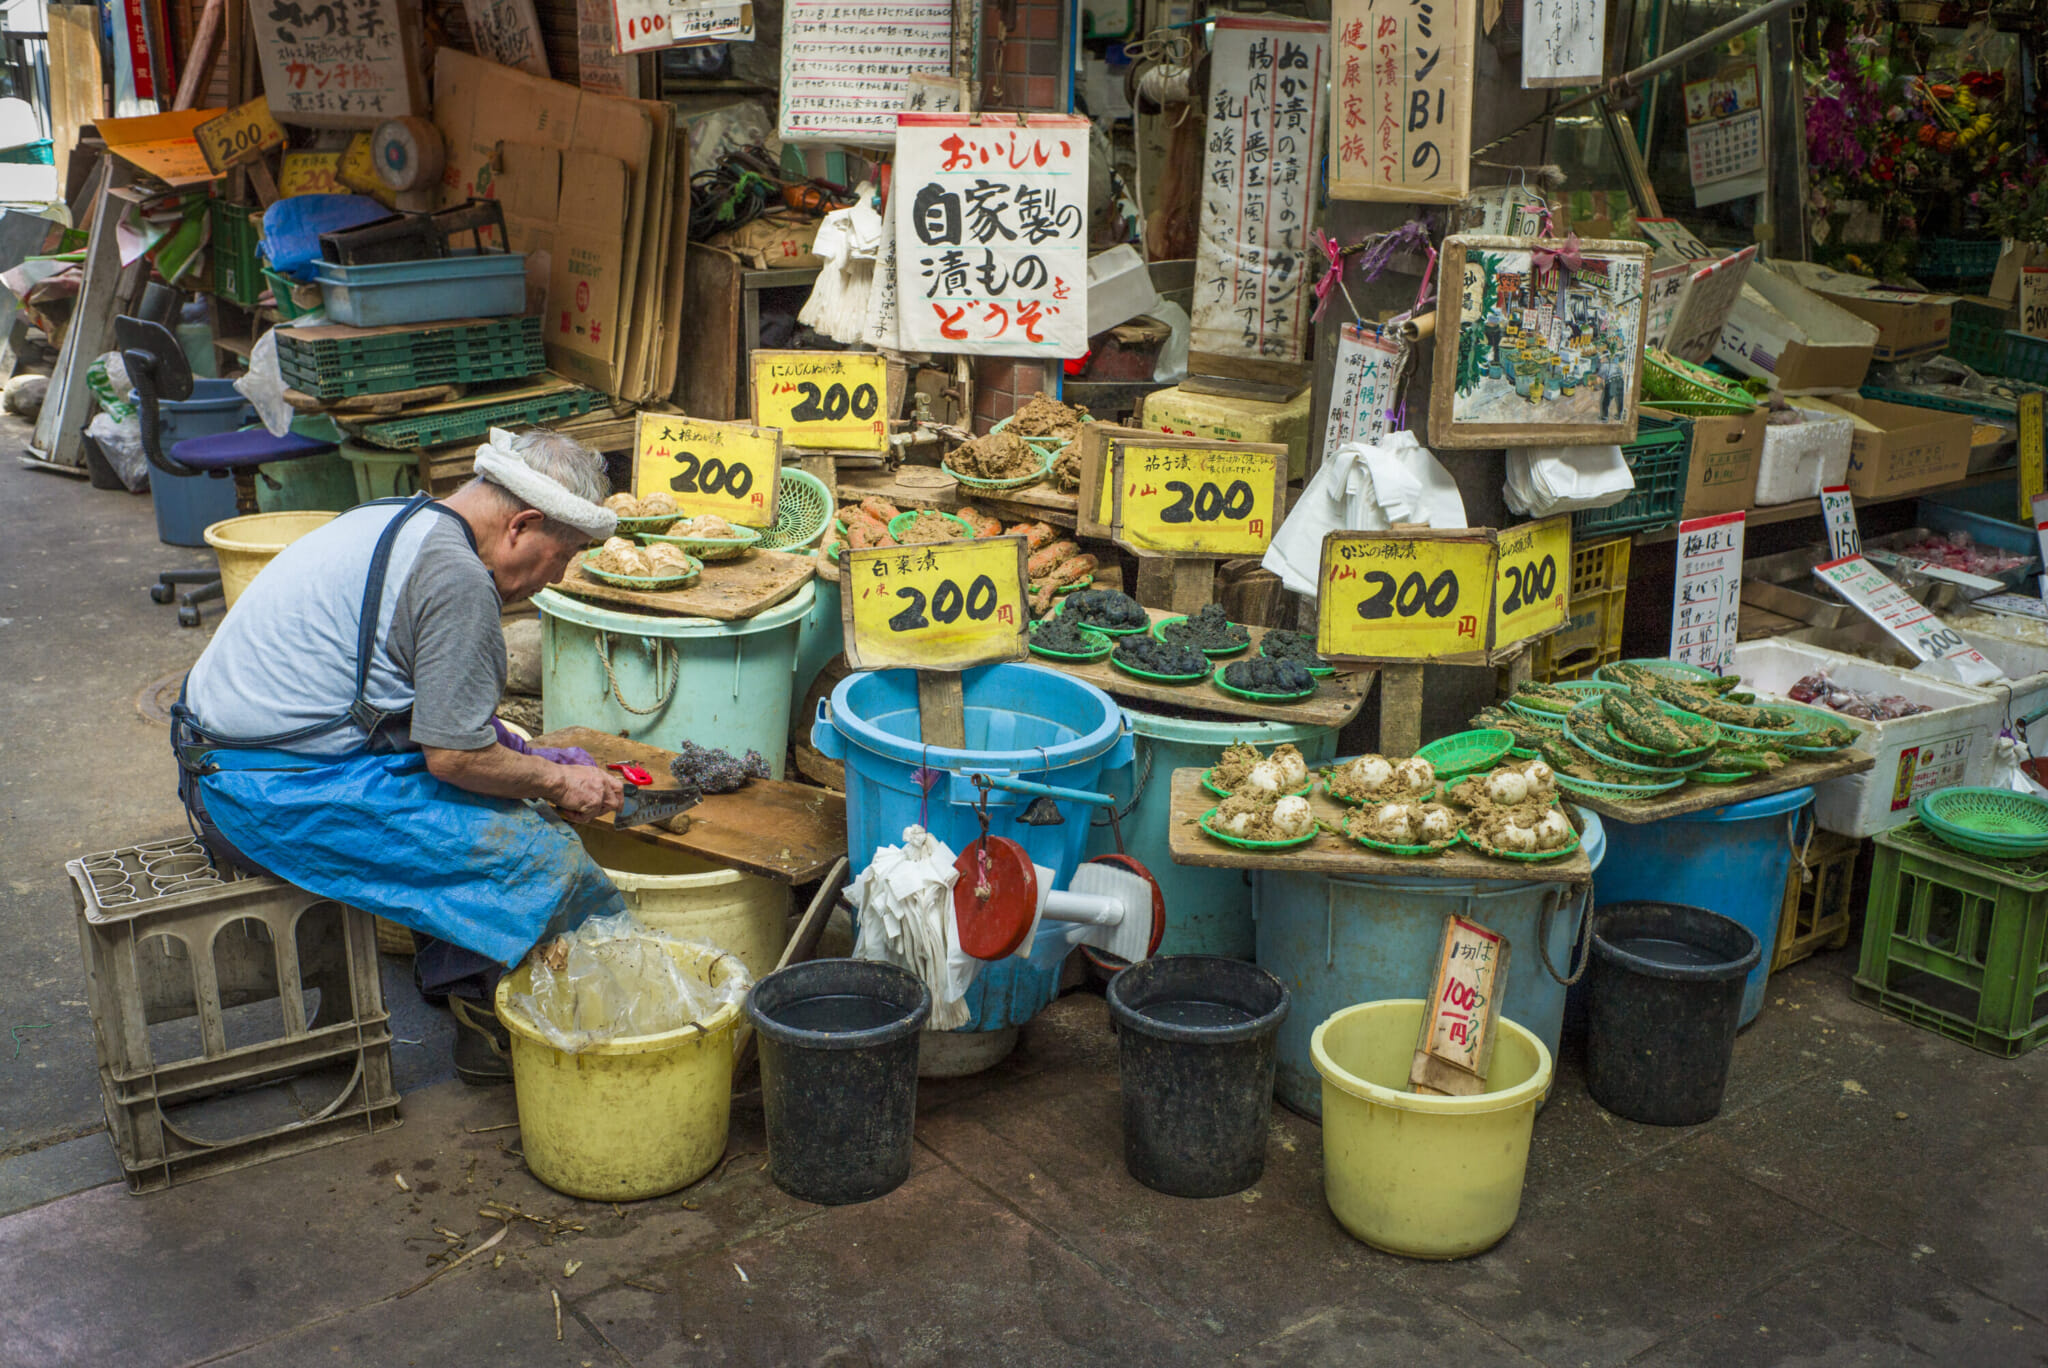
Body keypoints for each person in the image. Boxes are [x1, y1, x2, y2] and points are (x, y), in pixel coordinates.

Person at [171, 428, 629, 1085]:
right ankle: (585, 1025)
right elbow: (451, 757)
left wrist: (527, 755)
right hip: (264, 794)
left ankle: (470, 994)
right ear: (522, 525)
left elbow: (420, 709)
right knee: (541, 857)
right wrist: (556, 782)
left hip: (227, 759)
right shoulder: (457, 580)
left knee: (497, 790)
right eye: (565, 554)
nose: (559, 575)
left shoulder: (402, 516)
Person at [1598, 348, 1627, 421]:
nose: (1600, 360)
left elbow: (1599, 379)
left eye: (1601, 358)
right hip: (1620, 381)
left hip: (1612, 382)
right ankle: (1619, 415)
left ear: (1605, 358)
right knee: (1619, 399)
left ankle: (1604, 417)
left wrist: (1602, 386)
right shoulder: (1615, 364)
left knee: (1605, 400)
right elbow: (1621, 373)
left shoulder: (1604, 365)